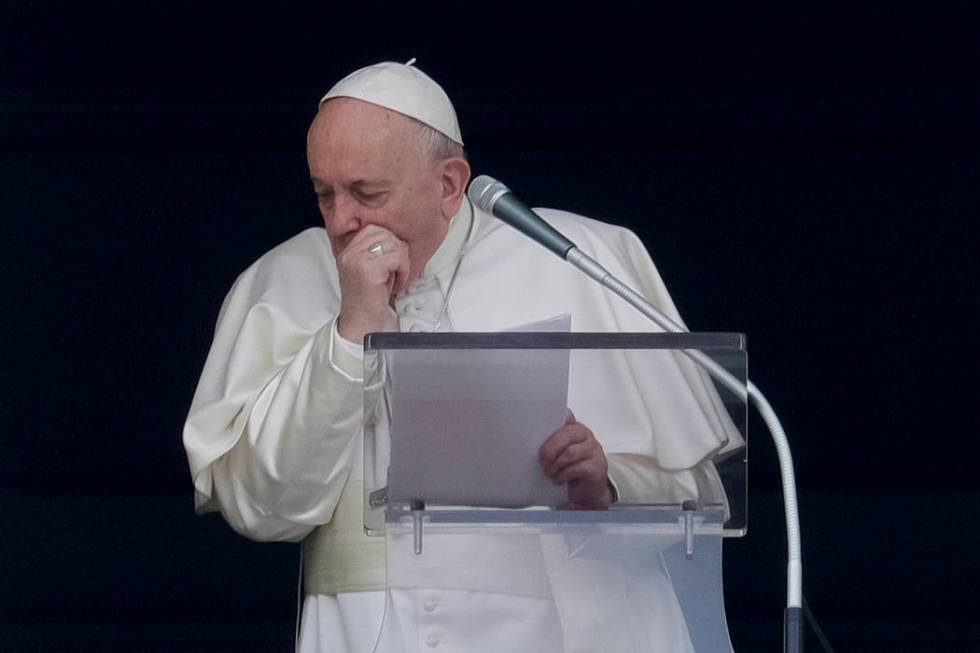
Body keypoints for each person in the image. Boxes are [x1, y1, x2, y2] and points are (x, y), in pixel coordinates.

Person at [183, 61, 740, 652]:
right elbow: (262, 508)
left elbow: (696, 495)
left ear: (449, 184)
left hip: (568, 632)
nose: (342, 222)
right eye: (325, 194)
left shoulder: (580, 259)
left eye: (367, 193)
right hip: (371, 633)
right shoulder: (282, 280)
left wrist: (605, 487)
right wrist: (350, 333)